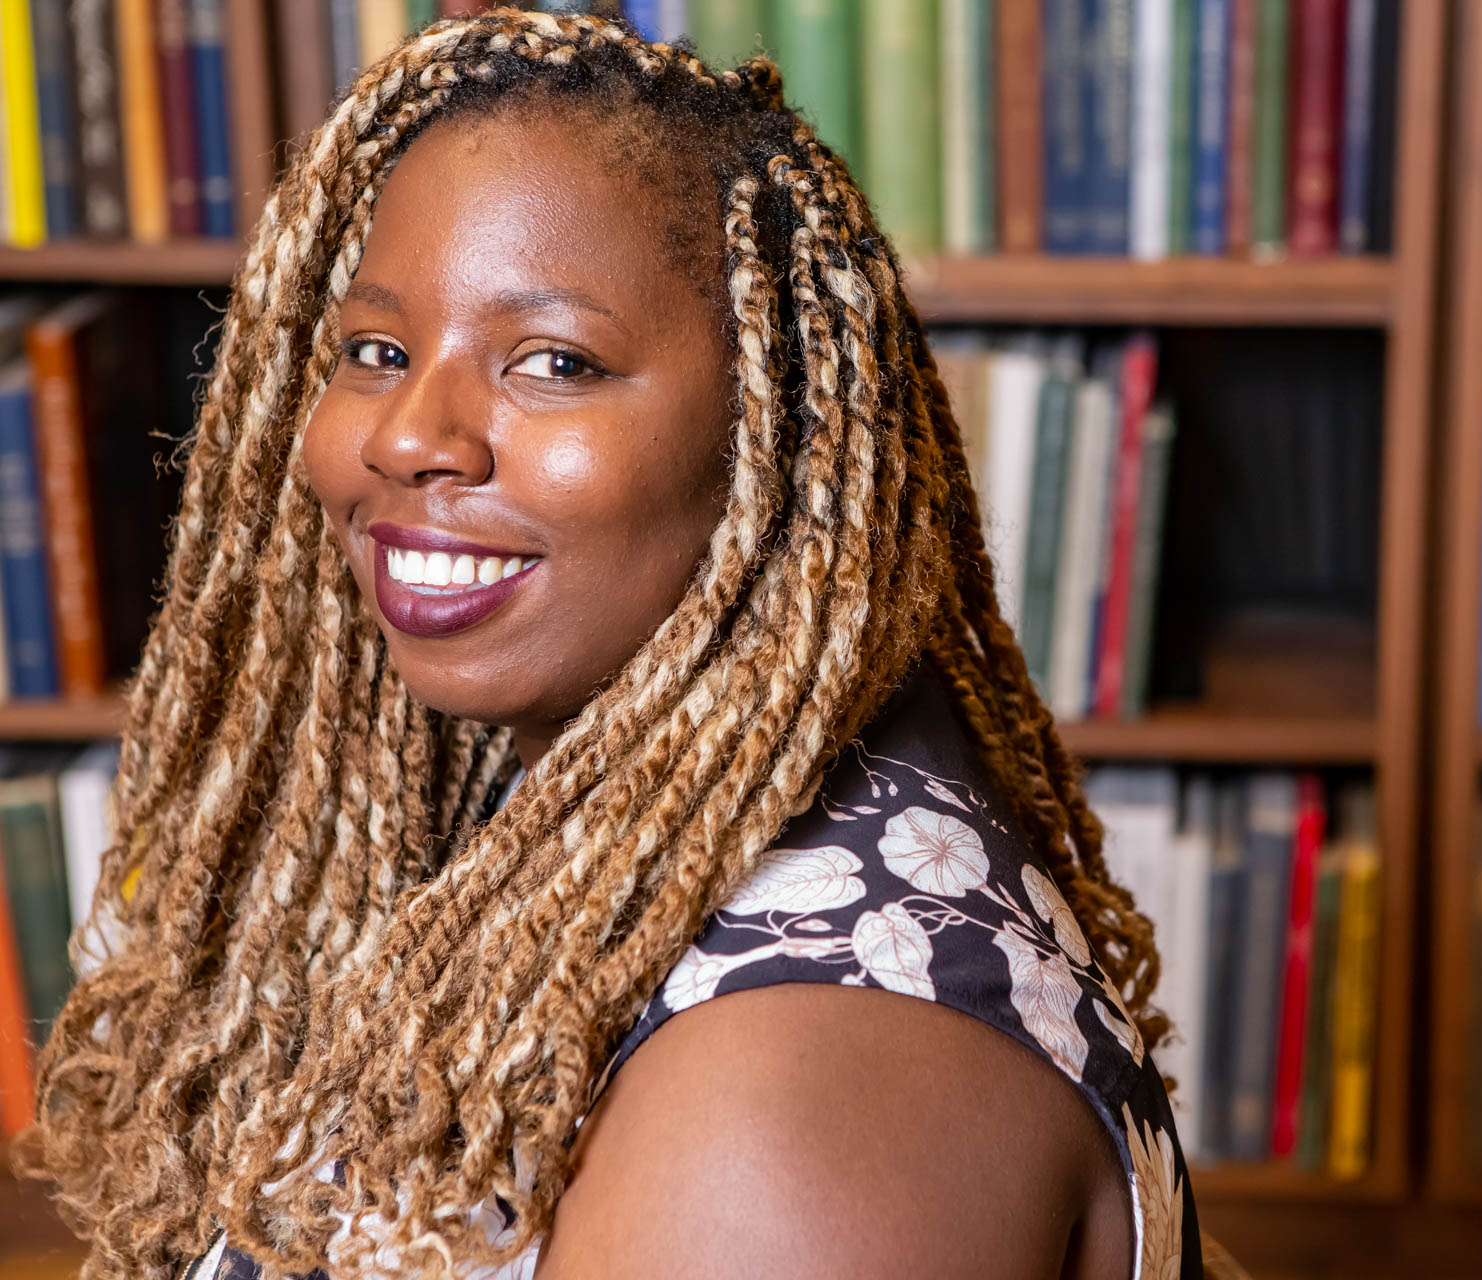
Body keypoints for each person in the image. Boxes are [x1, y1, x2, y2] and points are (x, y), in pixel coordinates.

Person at [22, 10, 1226, 1279]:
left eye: (553, 360)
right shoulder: (583, 768)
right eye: (377, 349)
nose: (408, 436)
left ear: (779, 443)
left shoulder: (793, 1101)